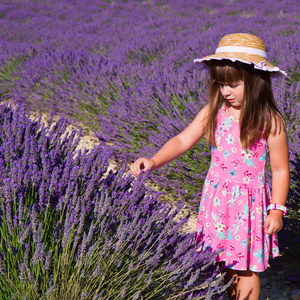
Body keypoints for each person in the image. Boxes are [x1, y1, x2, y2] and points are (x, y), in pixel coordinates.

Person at [130, 33, 289, 300]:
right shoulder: (212, 113)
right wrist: (154, 160)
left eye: (234, 85)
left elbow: (281, 169)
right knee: (220, 261)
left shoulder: (270, 122)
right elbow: (182, 140)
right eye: (221, 84)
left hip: (248, 207)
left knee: (247, 269)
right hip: (217, 201)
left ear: (256, 81)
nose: (226, 91)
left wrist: (277, 211)